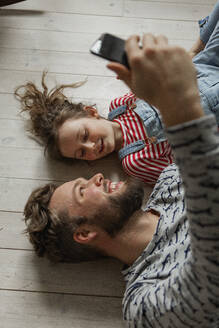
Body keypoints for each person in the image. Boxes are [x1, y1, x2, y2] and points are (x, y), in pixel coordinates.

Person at [23, 2, 219, 327]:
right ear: (84, 233)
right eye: (84, 189)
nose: (96, 175)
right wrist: (178, 111)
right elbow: (210, 276)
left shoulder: (170, 184)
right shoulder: (144, 300)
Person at [14, 9, 219, 185]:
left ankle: (194, 49)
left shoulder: (120, 105)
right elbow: (184, 170)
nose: (91, 147)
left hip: (202, 68)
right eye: (82, 153)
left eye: (85, 135)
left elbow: (160, 82)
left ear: (91, 112)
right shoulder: (134, 162)